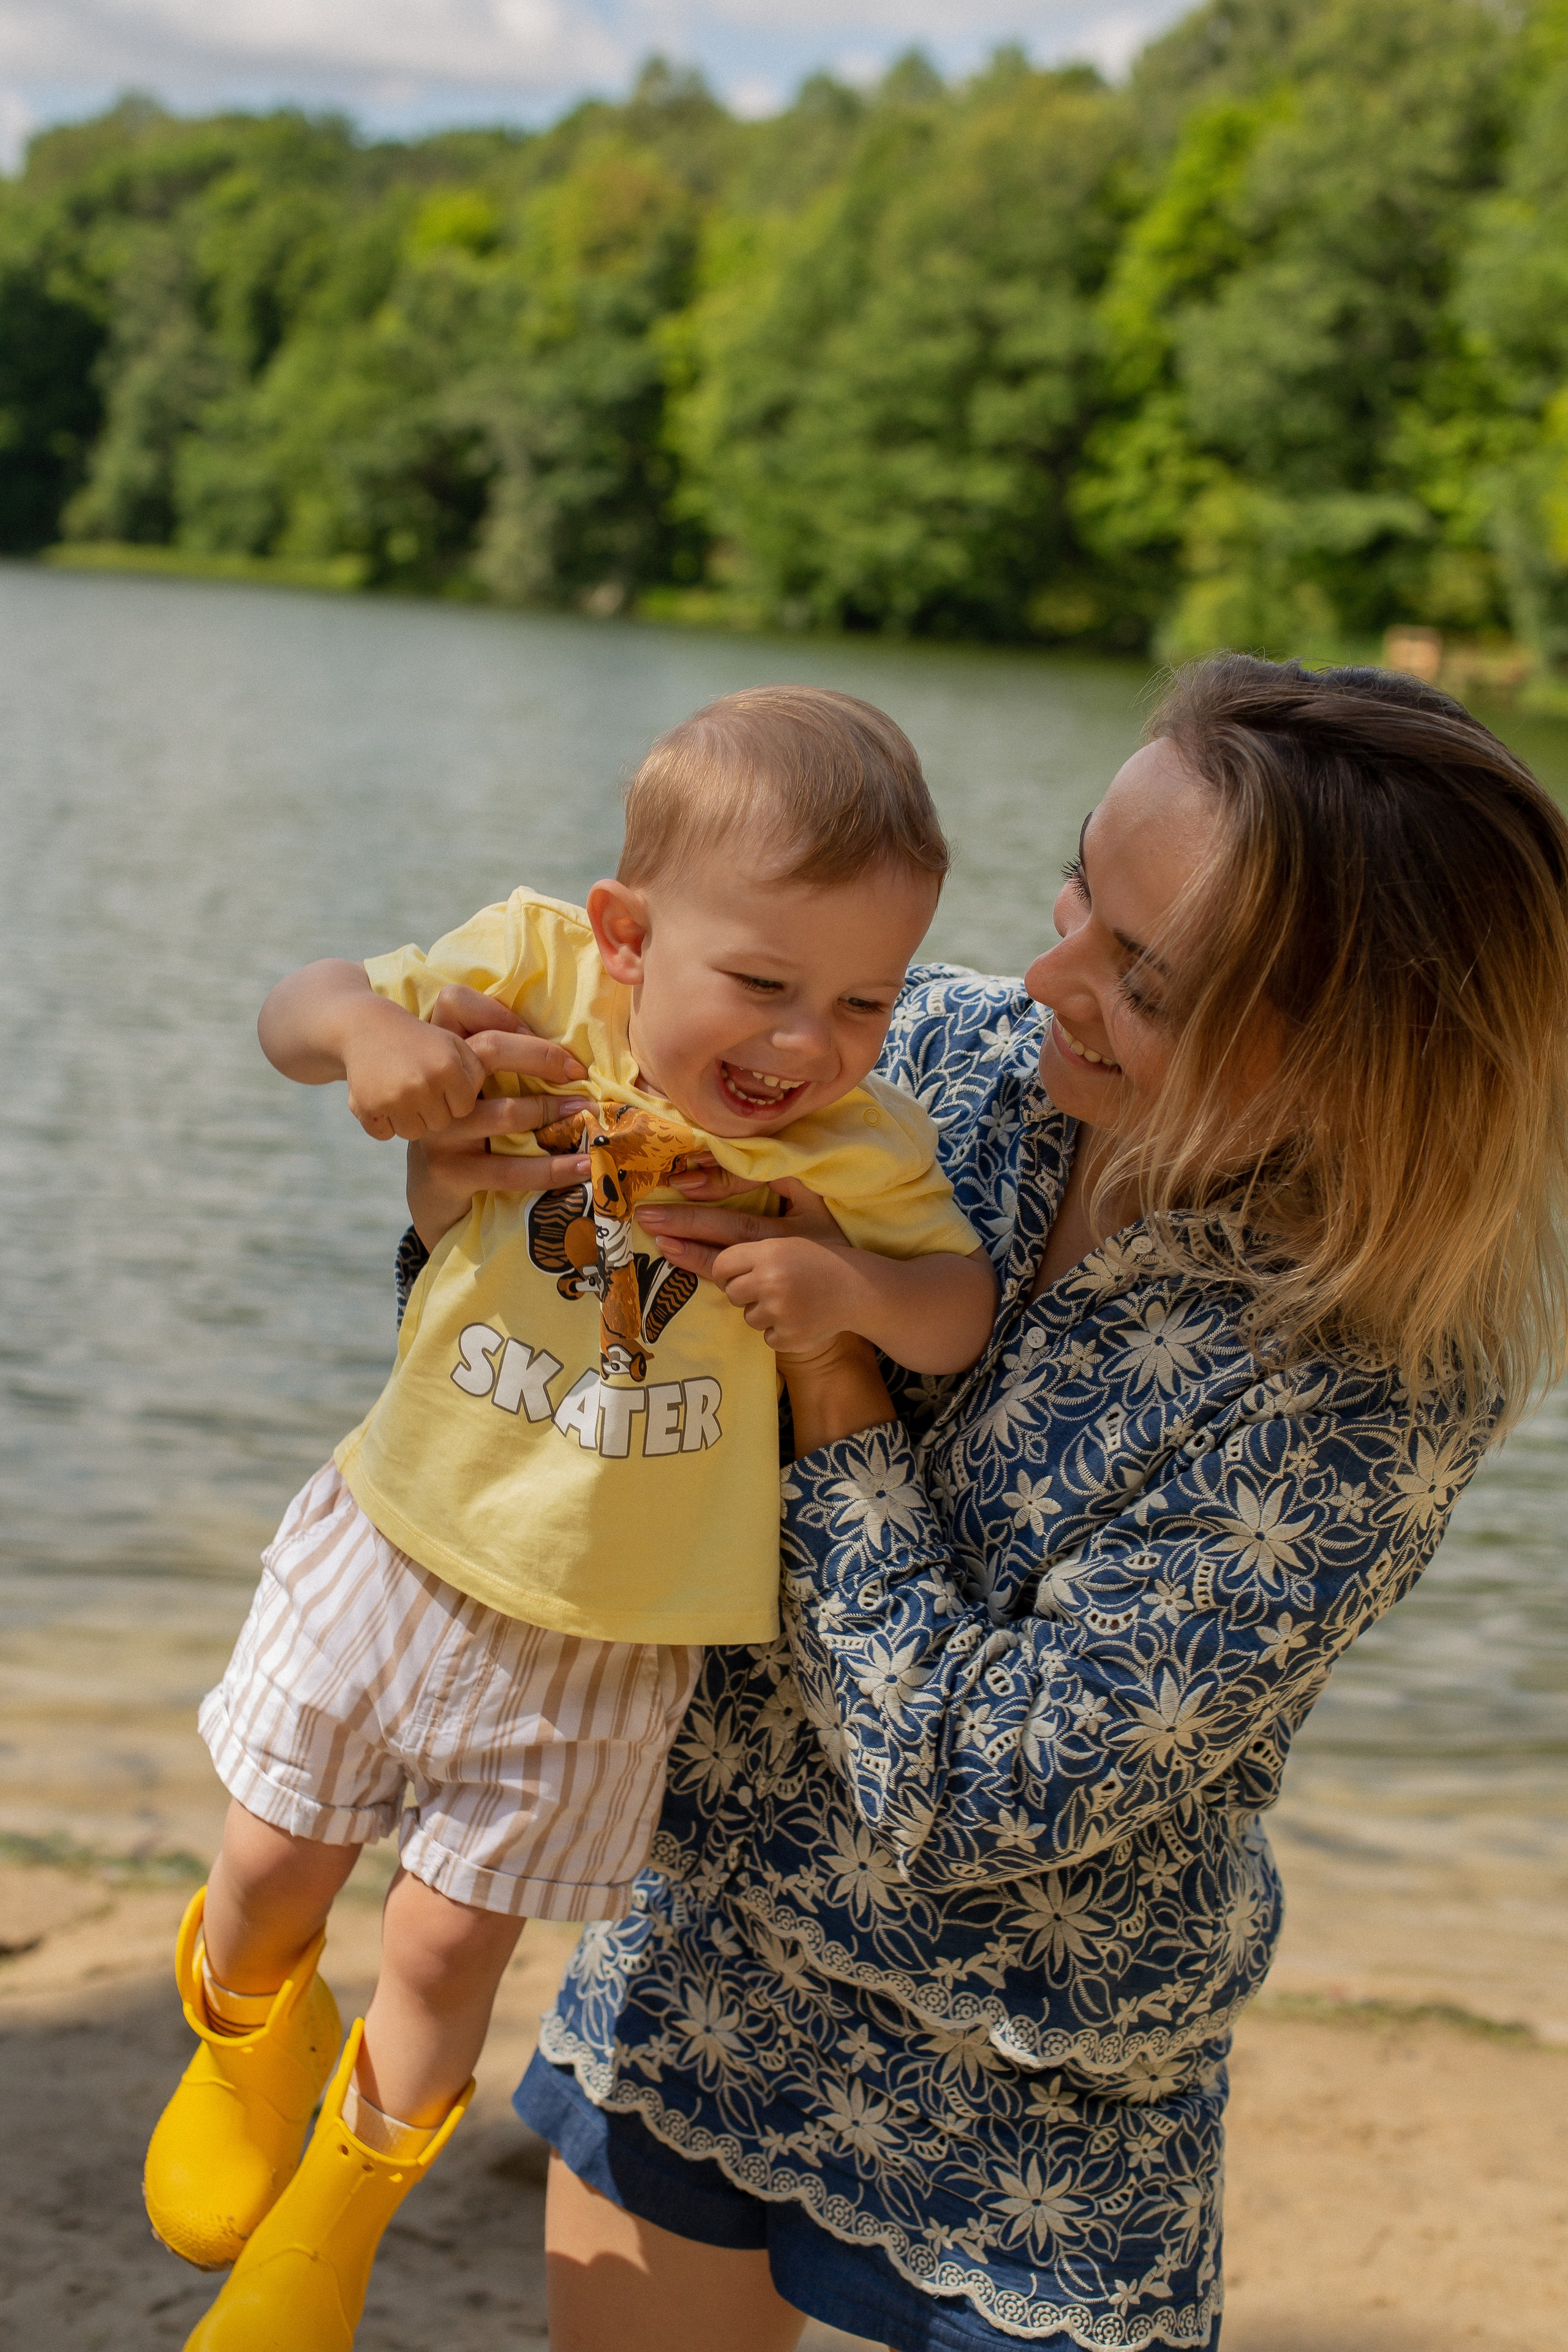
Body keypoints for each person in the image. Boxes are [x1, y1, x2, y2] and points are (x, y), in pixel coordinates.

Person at [407, 655, 1568, 2351]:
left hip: (1036, 2113)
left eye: (1143, 983)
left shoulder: (1375, 1378)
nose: (1044, 977)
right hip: (700, 1965)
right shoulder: (913, 1062)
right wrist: (466, 1226)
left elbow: (981, 1792)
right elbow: (546, 1418)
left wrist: (832, 1383)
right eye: (1084, 890)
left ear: (1359, 1063)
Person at [143, 686, 997, 2351]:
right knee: (267, 1856)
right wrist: (377, 1048)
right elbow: (298, 1004)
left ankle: (333, 2223)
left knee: (449, 1948)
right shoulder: (535, 979)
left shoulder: (850, 1144)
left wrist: (848, 1287)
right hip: (398, 1548)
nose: (808, 1042)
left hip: (604, 1650)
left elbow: (956, 1308)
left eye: (864, 1002)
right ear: (624, 935)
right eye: (761, 984)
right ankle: (248, 2038)